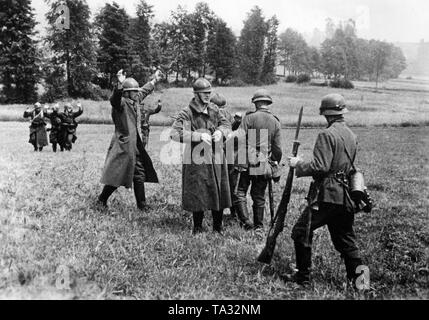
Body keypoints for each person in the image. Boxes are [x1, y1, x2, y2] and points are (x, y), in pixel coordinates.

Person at [286, 93, 364, 287]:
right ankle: (361, 282)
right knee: (347, 241)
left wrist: (298, 164)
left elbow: (320, 166)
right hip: (346, 196)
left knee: (301, 231)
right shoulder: (351, 135)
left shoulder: (326, 134)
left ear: (326, 114)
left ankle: (302, 277)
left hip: (327, 195)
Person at [170, 78, 232, 235]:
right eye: (204, 93)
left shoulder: (214, 110)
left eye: (209, 93)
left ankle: (218, 228)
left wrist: (220, 132)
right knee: (198, 192)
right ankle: (197, 227)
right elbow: (175, 133)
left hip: (216, 156)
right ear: (196, 94)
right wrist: (197, 136)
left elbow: (226, 124)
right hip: (196, 160)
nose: (207, 96)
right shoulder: (187, 113)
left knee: (219, 189)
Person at [98, 69, 163, 211]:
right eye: (133, 91)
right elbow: (114, 99)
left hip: (135, 146)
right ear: (126, 92)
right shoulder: (120, 104)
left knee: (139, 173)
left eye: (136, 91)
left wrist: (154, 80)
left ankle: (142, 205)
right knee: (118, 174)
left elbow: (144, 91)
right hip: (124, 145)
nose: (136, 93)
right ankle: (101, 199)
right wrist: (120, 85)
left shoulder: (135, 100)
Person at [230, 89, 282, 230]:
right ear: (267, 103)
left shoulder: (249, 118)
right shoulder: (275, 121)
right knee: (258, 196)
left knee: (240, 192)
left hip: (246, 160)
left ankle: (246, 222)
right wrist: (275, 161)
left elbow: (239, 137)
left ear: (256, 103)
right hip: (263, 161)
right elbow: (277, 149)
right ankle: (259, 226)